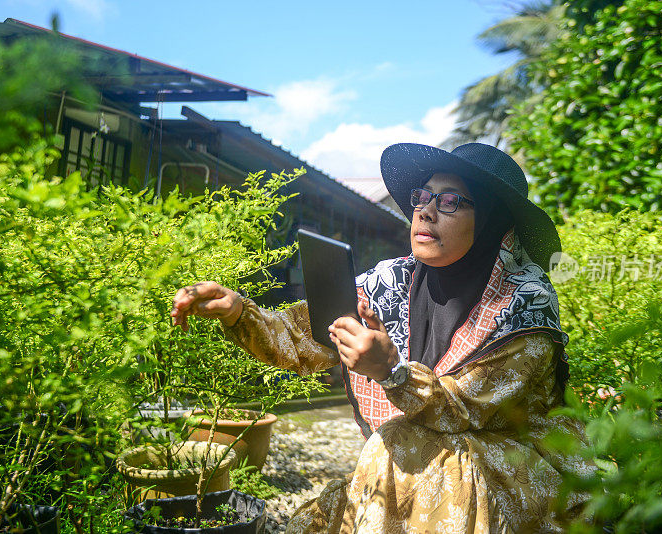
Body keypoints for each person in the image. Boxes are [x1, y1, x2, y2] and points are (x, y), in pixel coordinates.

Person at [171, 143, 595, 533]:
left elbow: (460, 412)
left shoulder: (524, 307)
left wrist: (391, 373)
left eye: (449, 201)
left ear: (491, 222)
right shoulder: (390, 282)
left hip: (515, 475)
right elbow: (304, 336)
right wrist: (238, 310)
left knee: (416, 447)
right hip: (421, 463)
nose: (426, 211)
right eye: (421, 196)